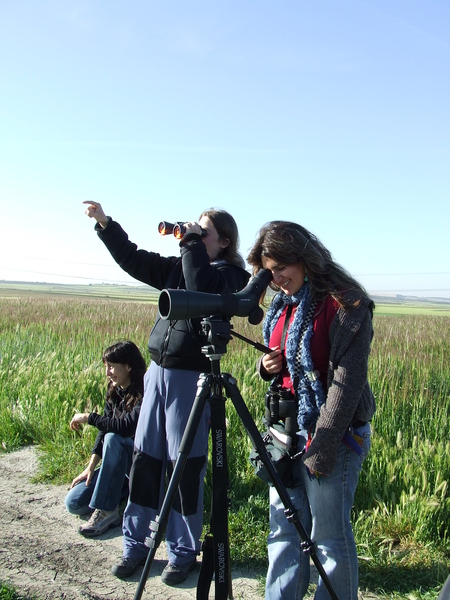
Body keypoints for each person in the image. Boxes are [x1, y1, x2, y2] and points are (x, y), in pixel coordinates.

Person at [83, 201, 250, 585]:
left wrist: (191, 245)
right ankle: (135, 545)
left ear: (224, 242)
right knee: (146, 460)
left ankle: (182, 552)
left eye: (203, 232)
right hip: (157, 373)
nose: (194, 235)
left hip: (190, 377)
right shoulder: (182, 263)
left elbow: (201, 288)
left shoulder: (231, 275)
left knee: (184, 466)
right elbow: (135, 261)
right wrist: (107, 226)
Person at [247, 221, 376, 600]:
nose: (275, 279)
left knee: (328, 538)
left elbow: (346, 384)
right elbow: (282, 359)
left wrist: (322, 445)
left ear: (302, 259)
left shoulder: (346, 304)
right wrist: (265, 366)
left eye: (279, 269)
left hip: (331, 435)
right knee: (283, 530)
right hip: (285, 431)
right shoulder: (284, 302)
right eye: (269, 273)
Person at [65, 340, 146, 537]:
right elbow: (103, 430)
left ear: (128, 366)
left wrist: (88, 418)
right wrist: (90, 467)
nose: (107, 372)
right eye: (106, 367)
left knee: (114, 438)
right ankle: (118, 492)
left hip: (139, 464)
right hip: (115, 462)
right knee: (74, 503)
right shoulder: (114, 391)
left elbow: (126, 427)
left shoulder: (144, 392)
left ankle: (106, 510)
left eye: (111, 367)